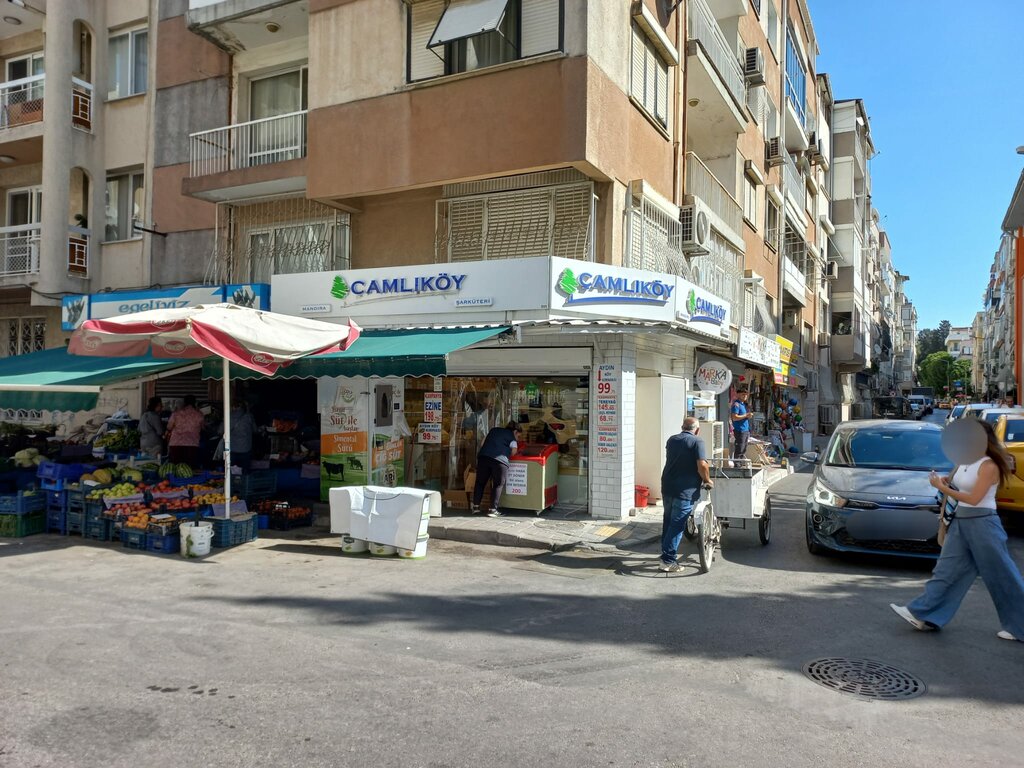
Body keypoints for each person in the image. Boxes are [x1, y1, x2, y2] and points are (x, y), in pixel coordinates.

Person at [890, 420, 1024, 641]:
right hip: (961, 522)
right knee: (946, 571)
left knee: (1002, 576)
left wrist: (941, 488)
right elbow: (958, 484)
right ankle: (923, 614)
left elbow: (974, 498)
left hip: (983, 523)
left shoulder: (989, 465)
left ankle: (1020, 626)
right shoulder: (965, 460)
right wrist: (946, 481)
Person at [659, 417, 714, 572]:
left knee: (668, 521)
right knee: (677, 525)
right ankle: (667, 561)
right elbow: (702, 464)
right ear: (697, 430)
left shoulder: (672, 440)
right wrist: (707, 480)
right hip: (685, 490)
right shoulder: (697, 441)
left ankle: (665, 554)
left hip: (668, 486)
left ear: (682, 427)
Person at [472, 421, 521, 518]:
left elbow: (482, 443)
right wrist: (506, 453)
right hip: (500, 461)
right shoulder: (511, 436)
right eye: (518, 436)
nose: (518, 438)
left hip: (484, 457)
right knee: (498, 484)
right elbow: (514, 451)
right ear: (515, 431)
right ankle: (492, 510)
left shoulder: (493, 430)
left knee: (480, 483)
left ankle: (476, 507)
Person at [165, 395, 204, 468]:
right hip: (192, 444)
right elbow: (203, 427)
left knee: (175, 467)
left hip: (176, 444)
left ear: (184, 403)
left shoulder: (176, 413)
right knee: (189, 468)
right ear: (194, 403)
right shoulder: (199, 414)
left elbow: (169, 427)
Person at [228, 399, 258, 471]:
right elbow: (255, 430)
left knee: (231, 472)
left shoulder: (229, 417)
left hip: (232, 450)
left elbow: (220, 431)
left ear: (233, 407)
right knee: (245, 472)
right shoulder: (249, 417)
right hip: (246, 450)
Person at [730, 389, 751, 461]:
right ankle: (737, 464)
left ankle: (740, 463)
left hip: (745, 429)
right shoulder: (736, 404)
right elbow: (734, 417)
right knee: (740, 448)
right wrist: (746, 415)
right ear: (738, 394)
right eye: (743, 394)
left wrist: (748, 416)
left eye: (746, 395)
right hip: (739, 430)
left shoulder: (743, 404)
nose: (745, 396)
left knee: (743, 449)